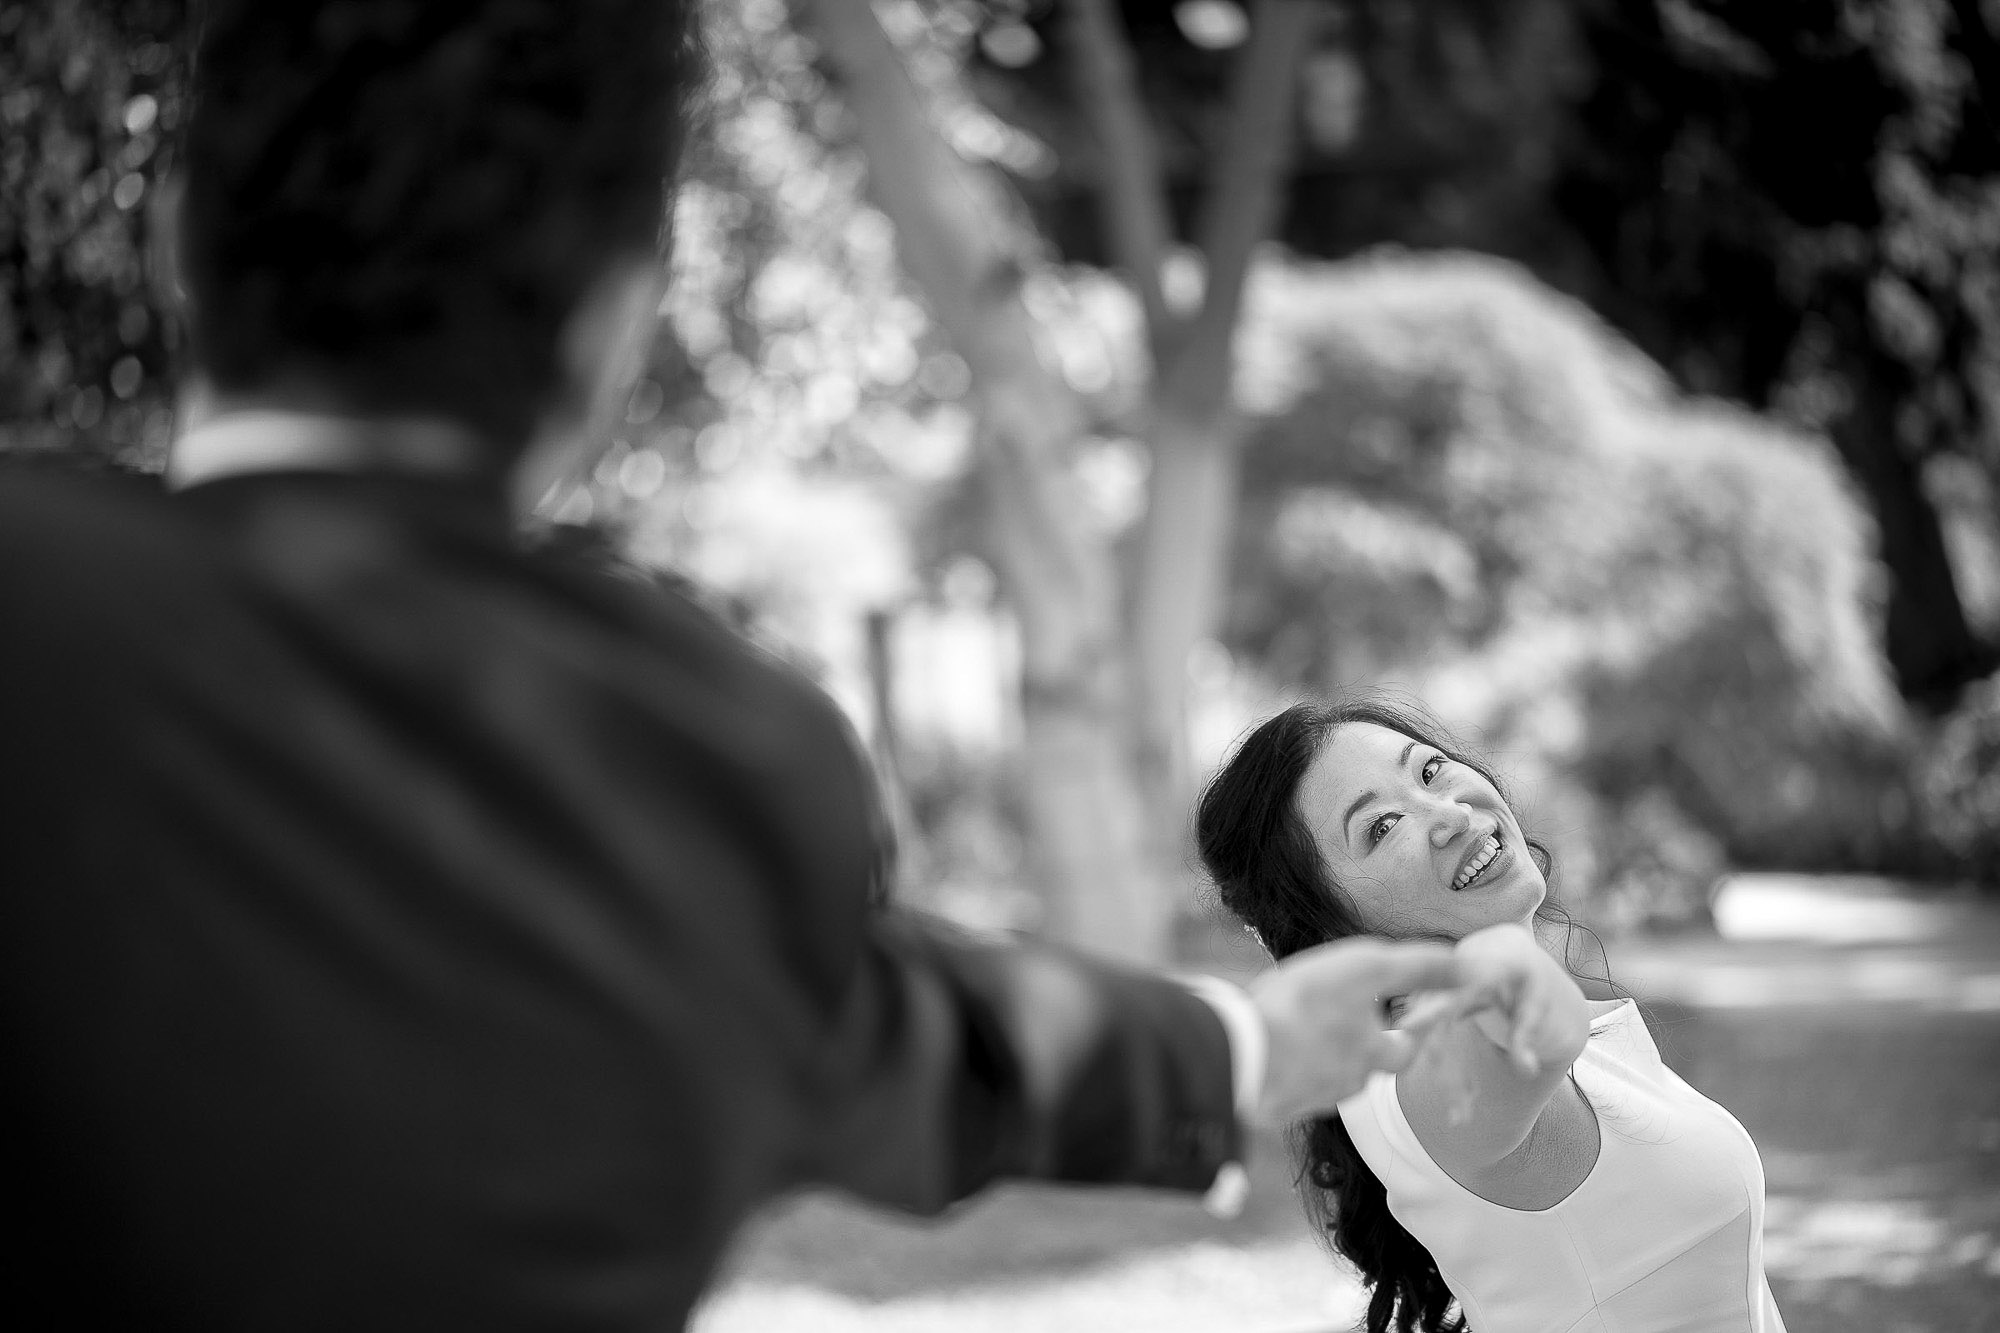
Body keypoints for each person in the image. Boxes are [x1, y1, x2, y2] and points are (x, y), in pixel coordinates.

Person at [0, 4, 1471, 1329]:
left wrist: (1233, 1044)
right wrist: (1237, 1049)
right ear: (619, 318)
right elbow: (910, 1042)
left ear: (177, 236)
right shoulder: (715, 762)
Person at [1197, 697, 1788, 1333]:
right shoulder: (1425, 1063)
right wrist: (1505, 961)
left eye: (1428, 772)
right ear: (1331, 931)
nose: (1447, 813)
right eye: (1381, 827)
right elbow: (1521, 1044)